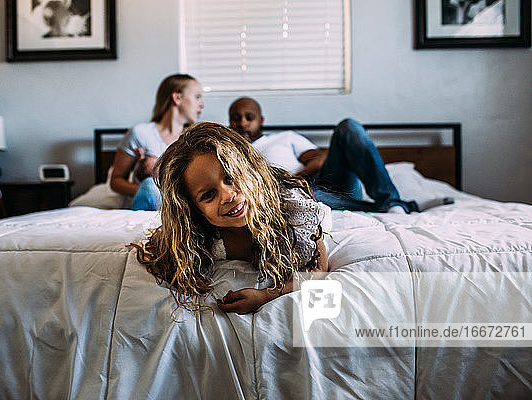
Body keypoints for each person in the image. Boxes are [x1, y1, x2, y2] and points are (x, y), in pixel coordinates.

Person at [131, 122, 329, 314]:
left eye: (231, 177)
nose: (227, 196)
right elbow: (160, 252)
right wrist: (182, 275)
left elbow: (318, 268)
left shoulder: (293, 209)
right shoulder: (198, 230)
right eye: (208, 195)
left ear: (251, 169)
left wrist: (266, 295)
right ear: (194, 209)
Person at [228, 97, 425, 213]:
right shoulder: (231, 153)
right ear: (229, 122)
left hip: (327, 182)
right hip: (293, 197)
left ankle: (390, 199)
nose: (243, 123)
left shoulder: (285, 137)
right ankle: (391, 207)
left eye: (249, 117)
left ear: (261, 120)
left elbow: (318, 160)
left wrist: (294, 179)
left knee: (349, 127)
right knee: (298, 199)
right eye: (236, 119)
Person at [110, 74, 204, 210]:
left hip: (180, 206)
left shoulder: (194, 140)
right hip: (145, 208)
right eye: (197, 97)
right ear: (177, 98)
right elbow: (115, 181)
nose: (201, 104)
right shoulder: (141, 133)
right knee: (150, 185)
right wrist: (143, 185)